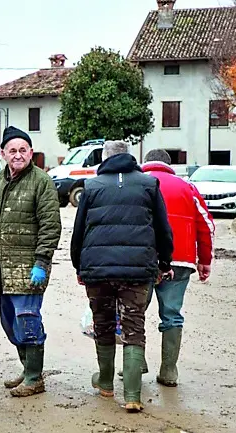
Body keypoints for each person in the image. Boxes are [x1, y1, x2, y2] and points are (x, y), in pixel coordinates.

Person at [70, 140, 173, 413]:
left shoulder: (92, 186)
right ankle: (132, 395)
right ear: (130, 157)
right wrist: (164, 262)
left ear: (104, 158)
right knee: (133, 327)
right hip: (137, 270)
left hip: (98, 269)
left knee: (103, 324)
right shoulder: (149, 185)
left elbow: (78, 231)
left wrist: (79, 266)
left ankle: (105, 382)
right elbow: (162, 229)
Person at [0, 126, 62, 398]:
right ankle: (28, 367)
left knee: (28, 322)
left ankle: (34, 378)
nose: (18, 155)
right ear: (3, 153)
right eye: (12, 150)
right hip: (3, 269)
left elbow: (50, 226)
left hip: (29, 269)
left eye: (23, 150)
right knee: (10, 324)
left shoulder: (41, 182)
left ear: (31, 152)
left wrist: (42, 261)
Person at [136, 149, 215, 387]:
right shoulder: (187, 187)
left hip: (142, 259)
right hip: (180, 259)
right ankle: (169, 371)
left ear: (146, 163)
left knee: (135, 312)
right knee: (172, 314)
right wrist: (205, 259)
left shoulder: (137, 184)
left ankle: (135, 363)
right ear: (169, 165)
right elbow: (206, 225)